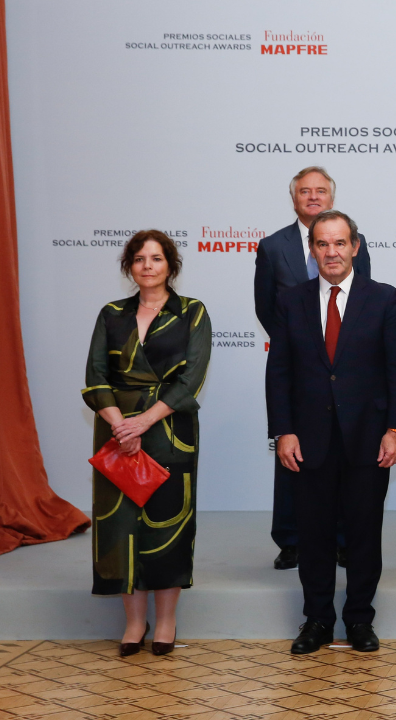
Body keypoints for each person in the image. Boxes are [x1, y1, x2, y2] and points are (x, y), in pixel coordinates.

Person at [266, 210, 396, 654]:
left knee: (365, 533)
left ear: (355, 246)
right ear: (313, 250)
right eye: (323, 244)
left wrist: (395, 431)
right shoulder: (291, 300)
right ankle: (317, 621)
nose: (332, 252)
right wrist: (283, 432)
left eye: (340, 243)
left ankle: (360, 620)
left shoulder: (383, 298)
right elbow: (280, 373)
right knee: (313, 535)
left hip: (370, 439)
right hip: (308, 440)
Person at [83, 230, 211, 656]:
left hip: (170, 432)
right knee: (120, 527)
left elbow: (191, 379)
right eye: (139, 258)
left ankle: (167, 623)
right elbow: (95, 376)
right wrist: (122, 424)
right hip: (117, 434)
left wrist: (144, 422)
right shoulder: (111, 314)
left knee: (167, 524)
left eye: (156, 258)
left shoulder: (192, 312)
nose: (147, 265)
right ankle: (134, 624)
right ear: (129, 266)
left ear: (170, 265)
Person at [255, 166, 371, 571]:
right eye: (305, 191)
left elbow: (361, 307)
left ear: (331, 197)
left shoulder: (355, 243)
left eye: (321, 190)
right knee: (292, 459)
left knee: (341, 461)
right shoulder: (272, 247)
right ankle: (289, 539)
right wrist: (305, 348)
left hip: (346, 375)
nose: (313, 196)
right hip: (301, 373)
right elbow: (265, 307)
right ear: (294, 198)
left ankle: (338, 539)